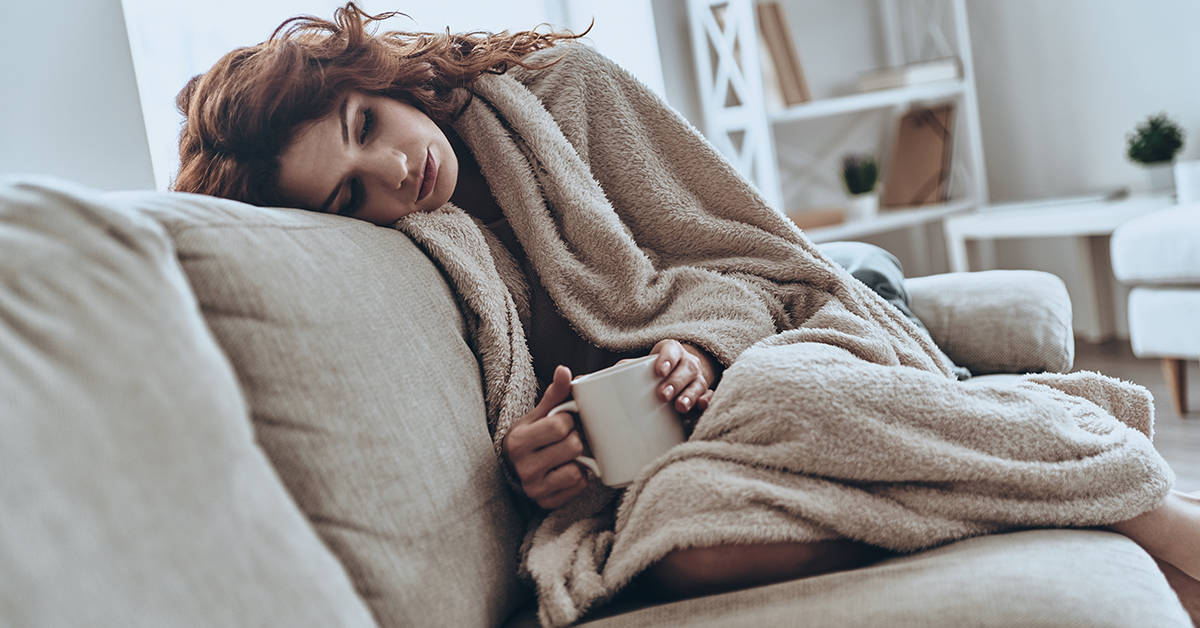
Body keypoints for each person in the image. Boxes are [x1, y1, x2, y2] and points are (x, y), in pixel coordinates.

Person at [173, 2, 1200, 614]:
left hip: (801, 321)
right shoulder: (429, 247)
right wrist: (545, 453)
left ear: (378, 75)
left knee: (784, 393)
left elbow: (756, 254)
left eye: (366, 124)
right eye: (349, 192)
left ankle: (1138, 502)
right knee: (686, 540)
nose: (394, 170)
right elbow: (531, 405)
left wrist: (699, 344)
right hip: (688, 440)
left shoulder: (564, 88)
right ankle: (979, 463)